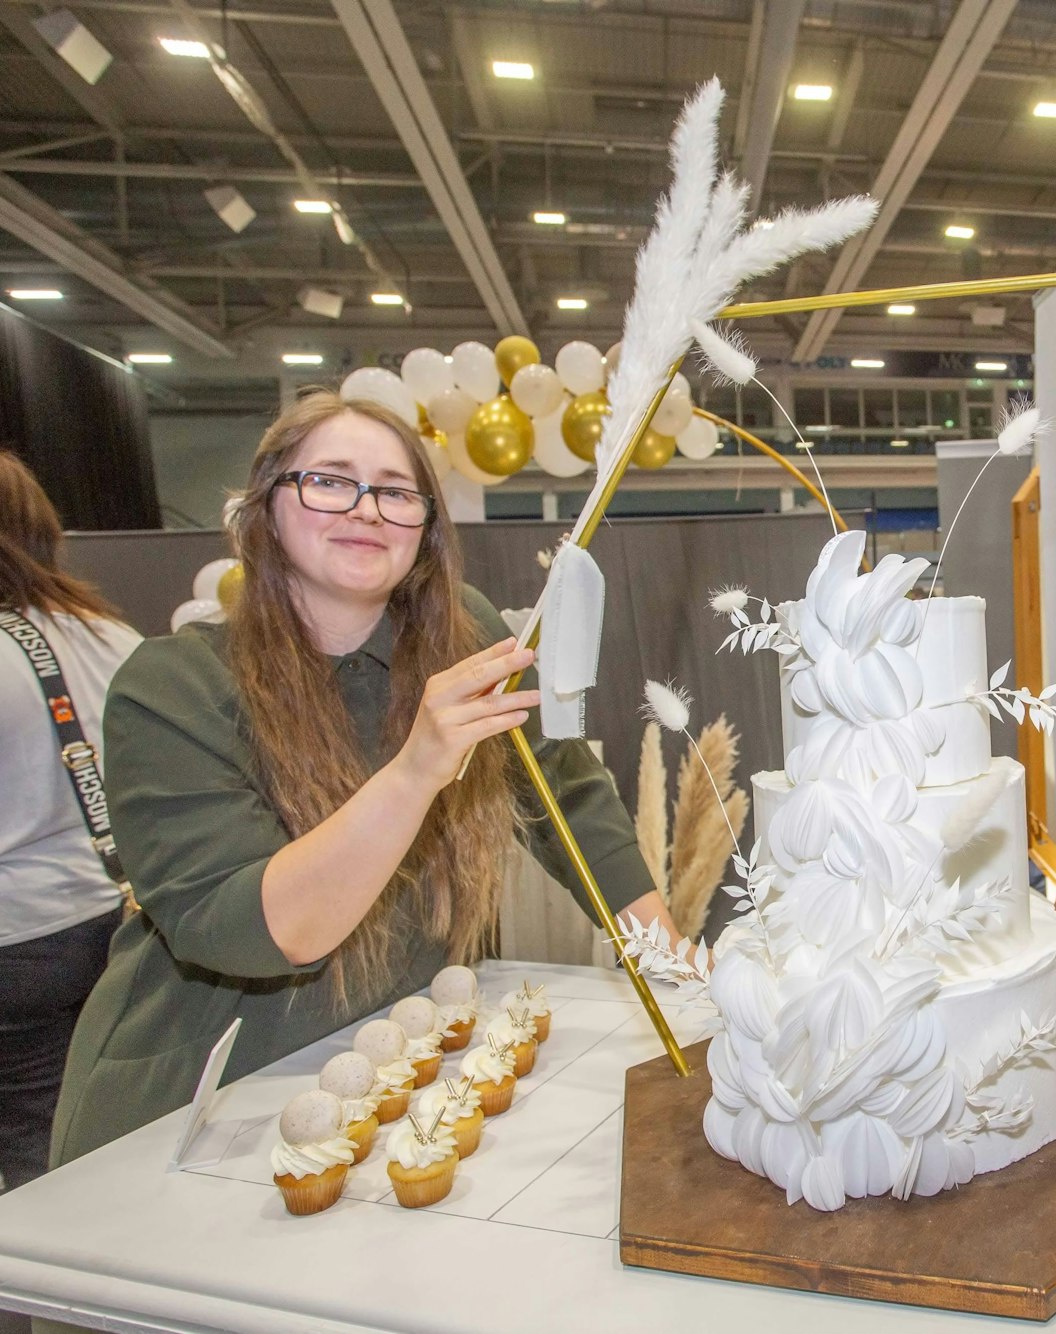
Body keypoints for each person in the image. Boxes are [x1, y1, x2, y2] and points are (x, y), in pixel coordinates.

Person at [49, 392, 674, 1169]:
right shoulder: (173, 685)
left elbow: (566, 795)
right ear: (266, 508)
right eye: (330, 481)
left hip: (389, 1068)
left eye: (395, 491)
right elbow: (255, 929)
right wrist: (416, 769)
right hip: (202, 1105)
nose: (366, 509)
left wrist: (677, 968)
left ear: (426, 528)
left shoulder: (461, 634)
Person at [0, 453, 141, 1194]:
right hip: (119, 918)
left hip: (18, 938)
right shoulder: (111, 637)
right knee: (105, 1128)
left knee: (34, 1156)